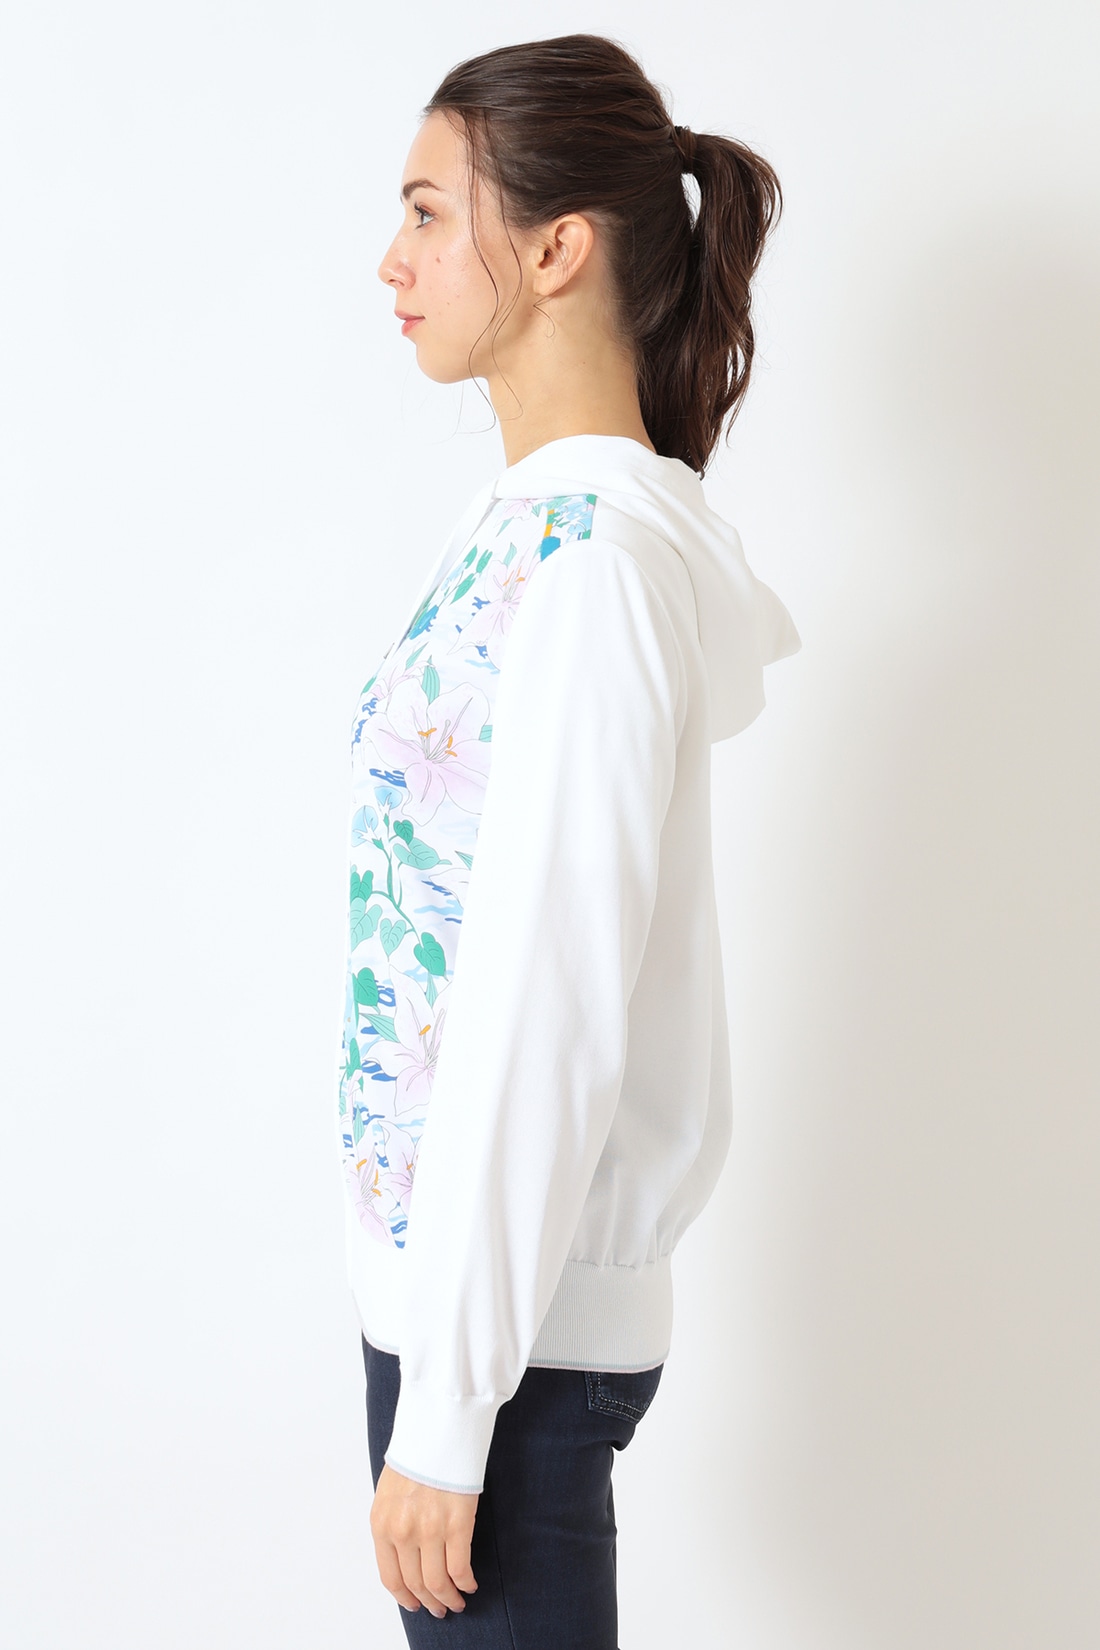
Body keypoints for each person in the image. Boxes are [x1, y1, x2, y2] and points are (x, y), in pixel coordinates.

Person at [336, 31, 801, 1649]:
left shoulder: (596, 566)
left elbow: (546, 1000)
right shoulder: (520, 530)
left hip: (510, 1347)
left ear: (554, 249)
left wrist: (448, 1409)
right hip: (470, 1319)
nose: (390, 259)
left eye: (426, 211)